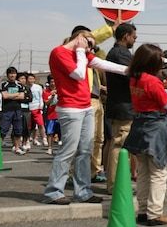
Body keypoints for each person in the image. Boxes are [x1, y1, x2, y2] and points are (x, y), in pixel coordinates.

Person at [42, 29, 128, 205]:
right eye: (89, 44)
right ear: (79, 38)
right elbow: (79, 74)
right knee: (68, 150)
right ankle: (53, 191)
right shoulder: (59, 52)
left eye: (92, 47)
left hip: (86, 106)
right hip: (70, 109)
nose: (90, 49)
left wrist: (133, 70)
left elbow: (106, 65)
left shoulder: (83, 54)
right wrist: (81, 51)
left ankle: (82, 191)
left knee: (86, 151)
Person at [122, 44, 167, 225]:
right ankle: (155, 213)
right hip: (155, 125)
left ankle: (143, 211)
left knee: (144, 171)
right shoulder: (152, 80)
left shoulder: (134, 78)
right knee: (159, 172)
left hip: (139, 125)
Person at [104, 23, 137, 194]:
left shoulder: (116, 53)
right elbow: (132, 78)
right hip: (123, 105)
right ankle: (116, 185)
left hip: (121, 104)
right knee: (120, 144)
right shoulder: (121, 54)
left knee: (122, 144)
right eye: (134, 37)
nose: (134, 40)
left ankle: (117, 184)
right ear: (126, 36)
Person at [0, 67, 28, 155]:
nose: (12, 75)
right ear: (7, 75)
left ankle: (17, 147)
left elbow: (22, 96)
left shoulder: (19, 84)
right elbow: (5, 96)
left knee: (18, 130)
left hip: (17, 110)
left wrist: (10, 95)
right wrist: (16, 95)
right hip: (6, 110)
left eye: (14, 73)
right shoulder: (4, 84)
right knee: (3, 129)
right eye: (10, 73)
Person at [42, 76, 59, 155]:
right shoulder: (46, 92)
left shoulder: (61, 90)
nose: (53, 83)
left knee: (62, 131)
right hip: (50, 115)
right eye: (51, 82)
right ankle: (50, 148)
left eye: (54, 81)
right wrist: (52, 96)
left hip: (60, 114)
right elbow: (46, 102)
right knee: (50, 132)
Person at [26, 73, 45, 146]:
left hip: (37, 108)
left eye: (32, 79)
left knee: (40, 124)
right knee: (30, 126)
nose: (31, 80)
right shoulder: (25, 87)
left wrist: (41, 105)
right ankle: (27, 140)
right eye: (29, 79)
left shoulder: (38, 87)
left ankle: (42, 138)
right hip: (28, 109)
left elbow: (41, 97)